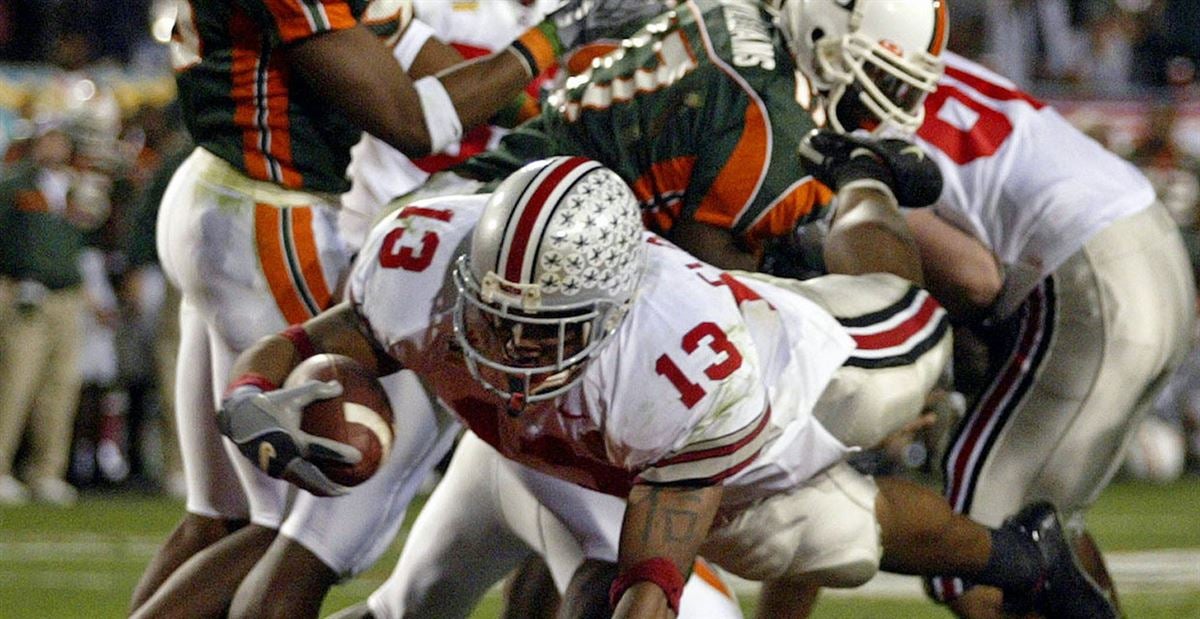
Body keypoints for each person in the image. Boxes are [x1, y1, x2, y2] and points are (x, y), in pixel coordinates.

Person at [218, 156, 1116, 619]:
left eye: (543, 328)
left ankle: (862, 175)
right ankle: (1027, 555)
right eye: (496, 311)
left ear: (606, 311)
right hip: (600, 442)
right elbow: (310, 340)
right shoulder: (420, 257)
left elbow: (649, 581)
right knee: (843, 532)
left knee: (886, 332)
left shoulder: (676, 370)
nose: (506, 343)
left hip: (801, 371)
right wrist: (256, 398)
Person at [130, 0, 669, 615]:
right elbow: (412, 120)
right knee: (299, 525)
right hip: (271, 214)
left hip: (235, 203)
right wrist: (558, 34)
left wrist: (575, 105)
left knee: (222, 517)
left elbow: (423, 58)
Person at [893, 50, 1196, 617]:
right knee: (1049, 524)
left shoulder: (841, 115)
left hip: (1086, 273)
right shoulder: (924, 60)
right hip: (1147, 243)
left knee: (972, 549)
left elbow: (975, 280)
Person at [404, 0, 949, 277]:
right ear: (825, 31)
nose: (887, 101)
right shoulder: (772, 119)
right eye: (879, 75)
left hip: (483, 211)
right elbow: (708, 274)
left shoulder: (734, 16)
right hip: (492, 246)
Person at [0, 112, 110, 507]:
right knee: (15, 385)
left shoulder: (78, 189)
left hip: (67, 296)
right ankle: (1, 469)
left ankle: (47, 472)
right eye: (48, 140)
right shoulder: (13, 184)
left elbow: (84, 243)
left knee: (61, 388)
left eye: (60, 141)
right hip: (25, 294)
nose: (55, 148)